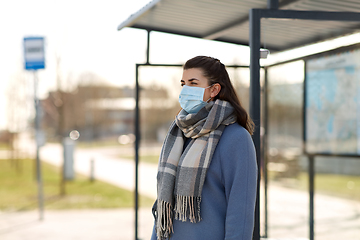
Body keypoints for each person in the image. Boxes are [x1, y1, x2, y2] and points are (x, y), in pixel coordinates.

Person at [150, 56, 258, 240]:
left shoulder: (237, 139)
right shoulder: (179, 134)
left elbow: (241, 213)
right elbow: (163, 204)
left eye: (193, 83)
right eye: (183, 83)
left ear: (214, 89)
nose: (185, 90)